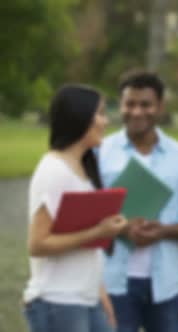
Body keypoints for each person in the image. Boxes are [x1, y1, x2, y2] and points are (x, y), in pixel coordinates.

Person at [98, 72, 178, 332]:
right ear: (121, 105)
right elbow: (88, 214)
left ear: (160, 107)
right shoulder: (100, 153)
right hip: (113, 282)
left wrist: (163, 231)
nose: (137, 112)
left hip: (166, 285)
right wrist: (121, 228)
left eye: (145, 104)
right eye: (130, 104)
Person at [23, 85, 128, 332]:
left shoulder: (83, 168)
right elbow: (37, 244)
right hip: (58, 301)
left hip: (85, 298)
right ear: (80, 117)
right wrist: (98, 233)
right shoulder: (53, 170)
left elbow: (84, 243)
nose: (106, 120)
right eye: (101, 113)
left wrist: (99, 293)